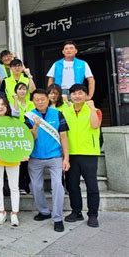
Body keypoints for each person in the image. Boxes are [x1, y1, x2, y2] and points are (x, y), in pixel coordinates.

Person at [25, 89, 70, 232]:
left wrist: (66, 158)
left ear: (48, 99)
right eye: (36, 99)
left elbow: (63, 136)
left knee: (57, 185)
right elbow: (30, 138)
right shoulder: (29, 116)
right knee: (36, 186)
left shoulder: (57, 114)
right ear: (33, 101)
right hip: (35, 157)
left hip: (55, 156)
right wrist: (36, 126)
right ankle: (44, 212)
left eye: (42, 99)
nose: (39, 102)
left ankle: (57, 218)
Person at [63, 84, 102, 228]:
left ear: (86, 95)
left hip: (89, 153)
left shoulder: (95, 110)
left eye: (80, 93)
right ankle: (76, 211)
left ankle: (93, 215)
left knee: (92, 186)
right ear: (70, 96)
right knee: (72, 185)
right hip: (71, 154)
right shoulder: (66, 112)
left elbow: (94, 125)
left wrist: (91, 108)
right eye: (73, 93)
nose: (77, 96)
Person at [0, 96, 21, 227]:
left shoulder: (13, 120)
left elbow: (20, 136)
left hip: (13, 158)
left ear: (7, 107)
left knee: (14, 187)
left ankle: (14, 214)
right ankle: (1, 212)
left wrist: (16, 101)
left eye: (3, 104)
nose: (0, 106)